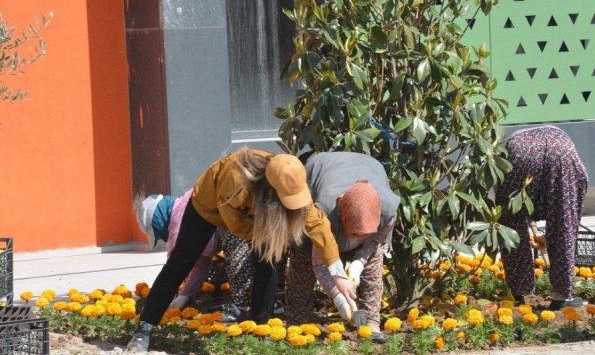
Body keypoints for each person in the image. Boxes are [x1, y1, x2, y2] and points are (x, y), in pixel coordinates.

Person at [127, 148, 353, 352]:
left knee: (269, 260)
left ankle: (259, 330)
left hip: (257, 213)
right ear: (272, 191)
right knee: (180, 262)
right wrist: (267, 234)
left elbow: (318, 225)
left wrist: (338, 274)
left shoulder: (291, 179)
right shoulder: (236, 181)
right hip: (208, 205)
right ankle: (144, 329)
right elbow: (234, 225)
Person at [285, 152, 400, 343]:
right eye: (354, 234)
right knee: (303, 258)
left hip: (368, 166)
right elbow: (319, 263)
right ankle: (298, 320)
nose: (357, 240)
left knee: (373, 265)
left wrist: (359, 262)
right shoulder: (323, 212)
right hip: (319, 174)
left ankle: (371, 323)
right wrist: (337, 296)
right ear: (341, 215)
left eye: (363, 235)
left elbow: (374, 242)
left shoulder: (388, 212)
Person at [495, 125, 588, 310]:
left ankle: (519, 292)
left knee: (510, 218)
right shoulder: (560, 142)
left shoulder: (510, 145)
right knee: (564, 219)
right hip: (561, 148)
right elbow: (580, 183)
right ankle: (562, 295)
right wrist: (545, 233)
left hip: (520, 151)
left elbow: (515, 203)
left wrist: (532, 228)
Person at [134, 190, 255, 318]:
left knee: (237, 261)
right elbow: (200, 264)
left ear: (159, 222)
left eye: (158, 233)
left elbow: (173, 271)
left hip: (237, 223)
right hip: (246, 219)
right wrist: (185, 294)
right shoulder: (184, 206)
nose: (162, 238)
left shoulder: (178, 227)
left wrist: (161, 303)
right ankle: (261, 303)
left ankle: (244, 308)